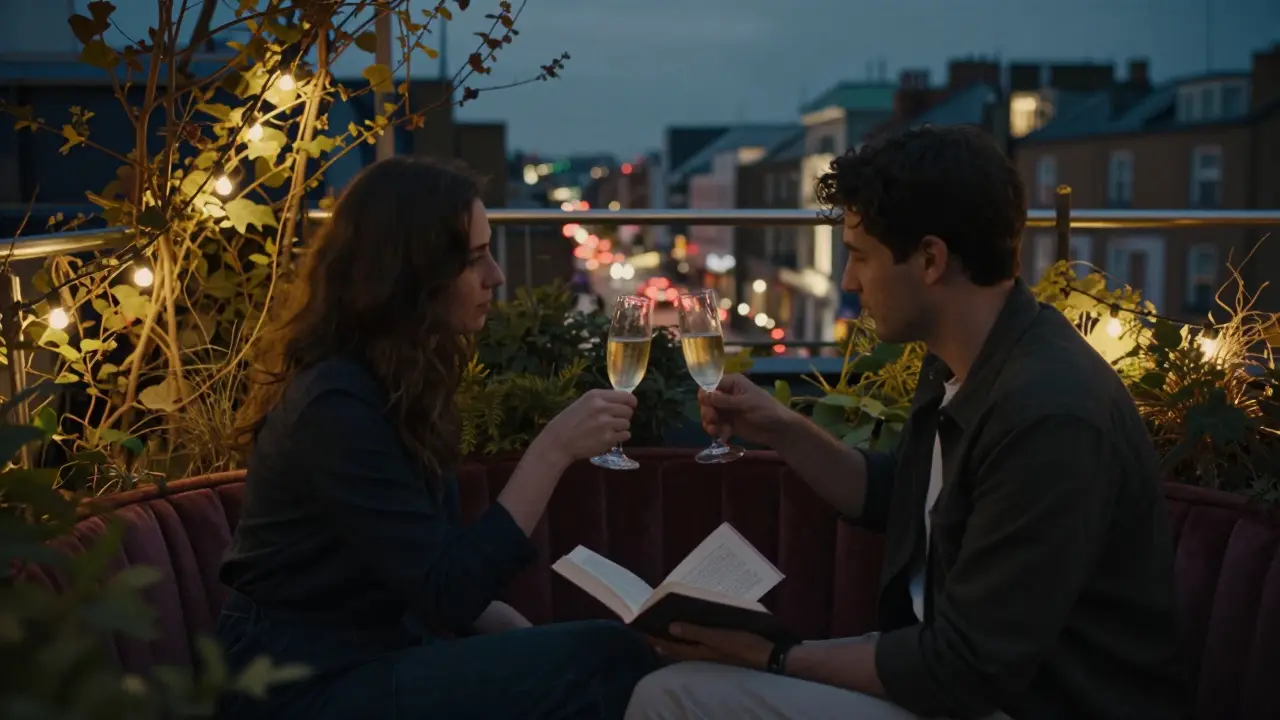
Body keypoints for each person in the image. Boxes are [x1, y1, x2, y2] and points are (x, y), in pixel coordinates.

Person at [625, 125, 1185, 719]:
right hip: (953, 674)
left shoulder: (1049, 416)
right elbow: (903, 497)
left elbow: (967, 668)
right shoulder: (964, 360)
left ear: (930, 259)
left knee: (670, 698)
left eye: (859, 256)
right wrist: (783, 428)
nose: (848, 281)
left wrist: (775, 656)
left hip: (1024, 703)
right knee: (684, 669)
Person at [216, 156, 658, 719]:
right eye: (474, 260)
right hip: (294, 685)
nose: (496, 277)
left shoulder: (395, 386)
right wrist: (552, 450)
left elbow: (435, 572)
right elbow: (447, 589)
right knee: (606, 656)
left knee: (604, 651)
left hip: (371, 655)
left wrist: (528, 645)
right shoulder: (334, 407)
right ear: (411, 275)